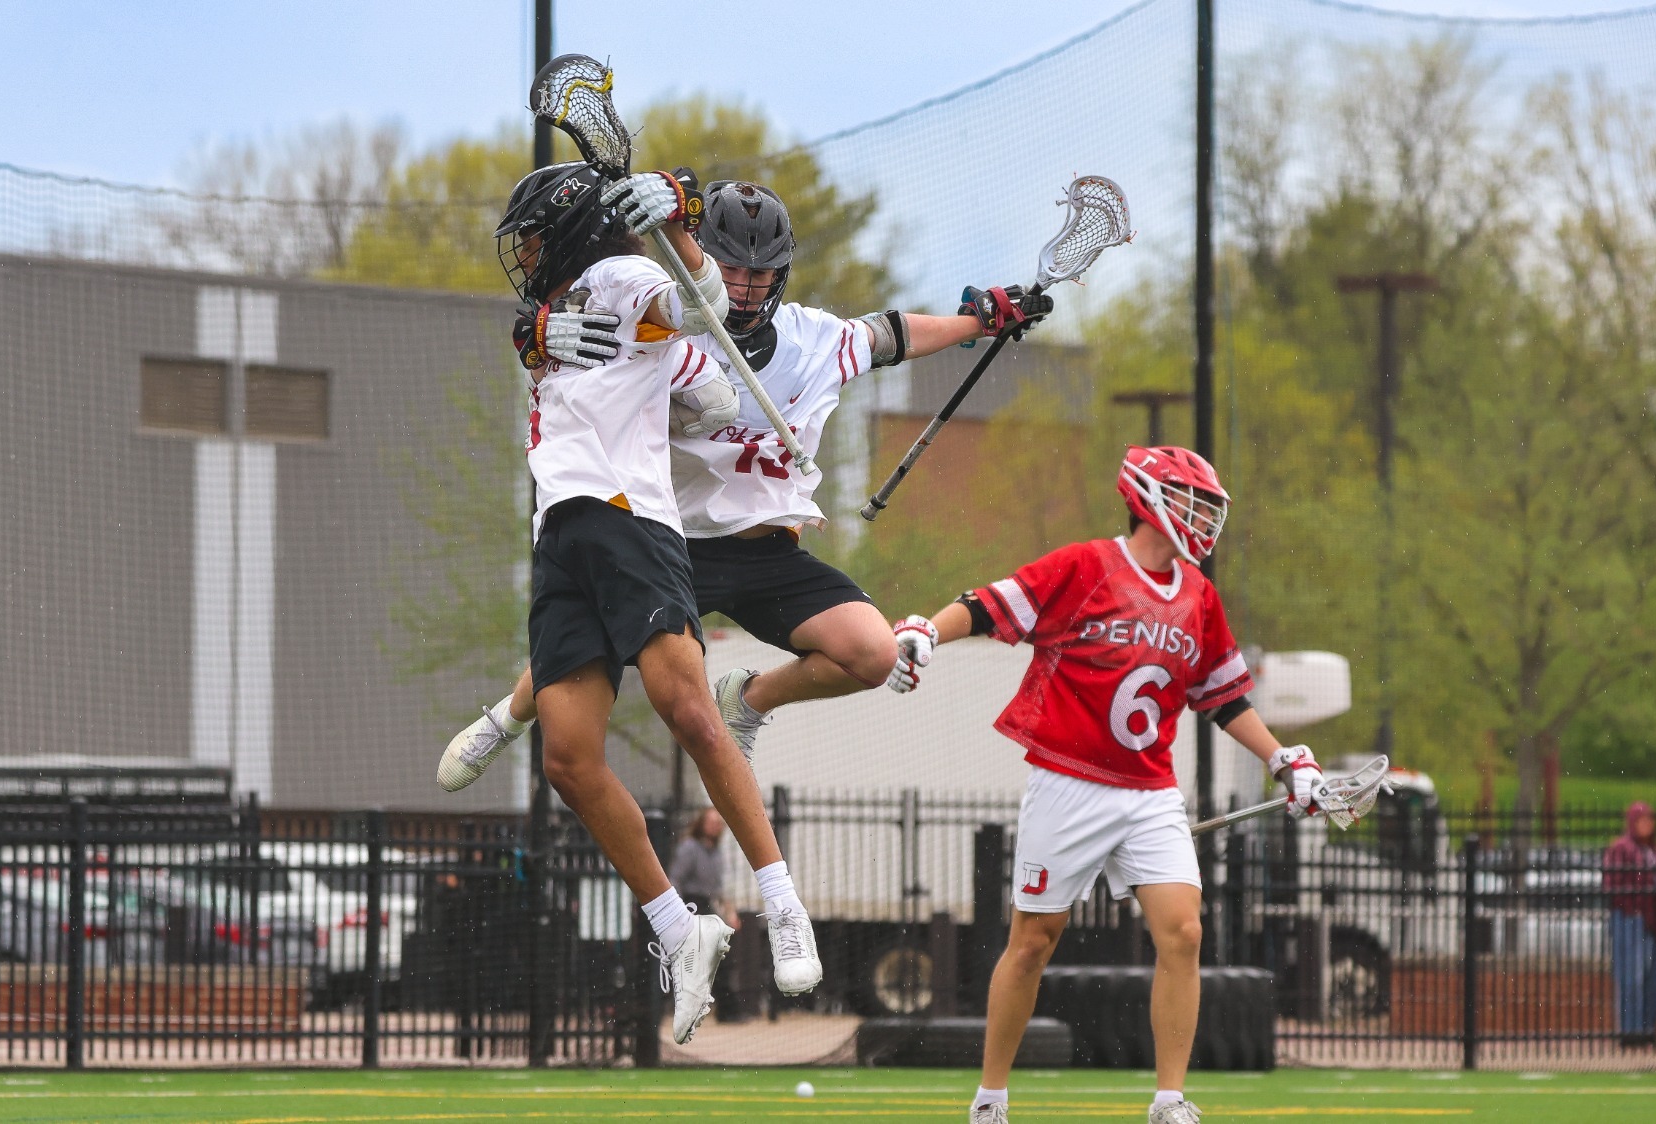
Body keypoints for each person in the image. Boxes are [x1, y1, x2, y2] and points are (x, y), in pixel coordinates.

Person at [439, 179, 1049, 770]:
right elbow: (573, 319)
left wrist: (981, 321)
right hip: (674, 546)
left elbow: (891, 334)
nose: (746, 288)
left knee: (872, 652)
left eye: (761, 275)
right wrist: (533, 331)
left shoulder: (812, 339)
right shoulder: (666, 331)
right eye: (731, 270)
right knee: (582, 644)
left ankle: (750, 700)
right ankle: (509, 717)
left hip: (770, 554)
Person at [481, 160, 818, 1045]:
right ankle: (680, 928)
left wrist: (685, 217)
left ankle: (782, 901)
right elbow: (701, 394)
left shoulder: (626, 276)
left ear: (566, 226)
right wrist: (541, 328)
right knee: (570, 761)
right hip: (561, 538)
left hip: (630, 521)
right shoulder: (558, 309)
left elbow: (692, 315)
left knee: (692, 716)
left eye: (529, 234)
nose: (520, 252)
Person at [889, 446, 1325, 1124]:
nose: (1202, 519)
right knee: (1034, 941)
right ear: (1147, 498)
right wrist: (926, 633)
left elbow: (1224, 697)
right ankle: (990, 1099)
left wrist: (1283, 759)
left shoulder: (1200, 598)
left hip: (1150, 790)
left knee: (1183, 933)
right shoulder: (1086, 567)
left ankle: (1170, 1100)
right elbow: (990, 606)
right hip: (1068, 781)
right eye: (1190, 501)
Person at [1604, 801, 1656, 1048]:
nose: (1647, 825)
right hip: (1632, 918)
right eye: (1642, 820)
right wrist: (1632, 906)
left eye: (1650, 820)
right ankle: (1630, 1033)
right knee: (1631, 977)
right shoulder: (1622, 848)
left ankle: (1647, 1030)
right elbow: (1613, 883)